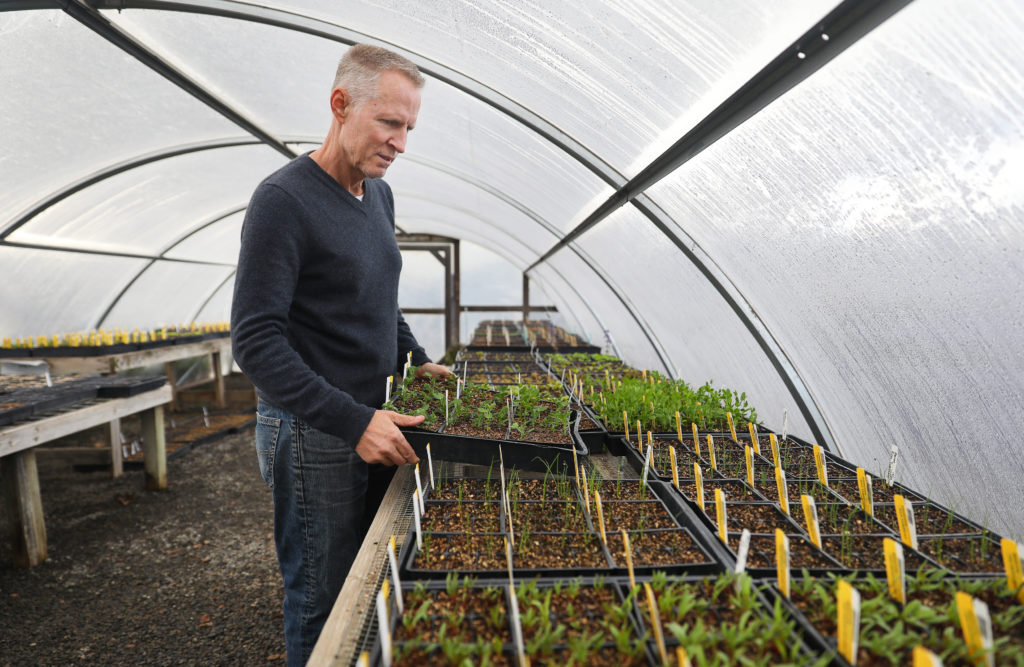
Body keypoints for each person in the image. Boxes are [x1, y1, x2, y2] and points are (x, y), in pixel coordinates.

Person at [230, 44, 451, 666]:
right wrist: (354, 421)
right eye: (389, 122)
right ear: (340, 104)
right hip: (313, 432)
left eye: (409, 127)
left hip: (374, 420)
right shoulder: (284, 200)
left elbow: (380, 301)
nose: (401, 142)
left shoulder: (377, 195)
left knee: (371, 578)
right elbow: (254, 339)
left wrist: (417, 359)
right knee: (322, 602)